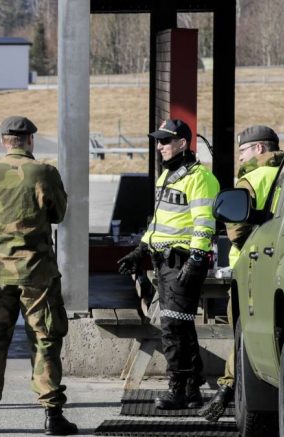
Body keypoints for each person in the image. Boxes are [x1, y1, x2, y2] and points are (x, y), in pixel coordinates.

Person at [0, 116, 76, 435]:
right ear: (30, 140)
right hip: (36, 272)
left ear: (4, 140)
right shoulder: (45, 172)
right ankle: (52, 414)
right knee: (44, 339)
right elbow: (59, 214)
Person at [118, 119, 220, 410]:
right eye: (158, 141)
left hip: (183, 261)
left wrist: (196, 260)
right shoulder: (169, 175)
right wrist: (140, 251)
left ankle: (178, 388)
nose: (159, 146)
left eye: (165, 141)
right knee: (181, 326)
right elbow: (160, 222)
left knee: (173, 327)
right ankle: (191, 388)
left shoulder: (199, 177)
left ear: (182, 143)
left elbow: (204, 223)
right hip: (164, 262)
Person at [198, 125, 284, 421]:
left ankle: (229, 389)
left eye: (243, 151)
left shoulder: (252, 178)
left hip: (250, 267)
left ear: (259, 149)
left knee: (244, 333)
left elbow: (235, 230)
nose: (241, 157)